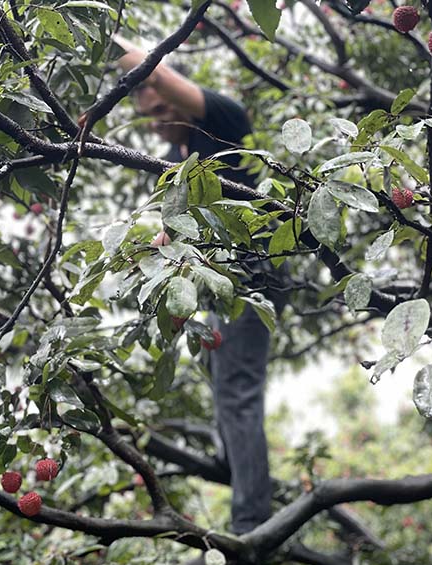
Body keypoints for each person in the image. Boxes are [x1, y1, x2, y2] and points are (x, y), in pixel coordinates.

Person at [115, 35, 280, 537]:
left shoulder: (223, 119)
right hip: (218, 284)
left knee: (236, 390)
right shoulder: (181, 166)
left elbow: (156, 73)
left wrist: (113, 43)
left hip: (250, 275)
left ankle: (253, 524)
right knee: (220, 379)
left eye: (160, 103)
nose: (157, 116)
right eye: (148, 112)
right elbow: (179, 234)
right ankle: (237, 470)